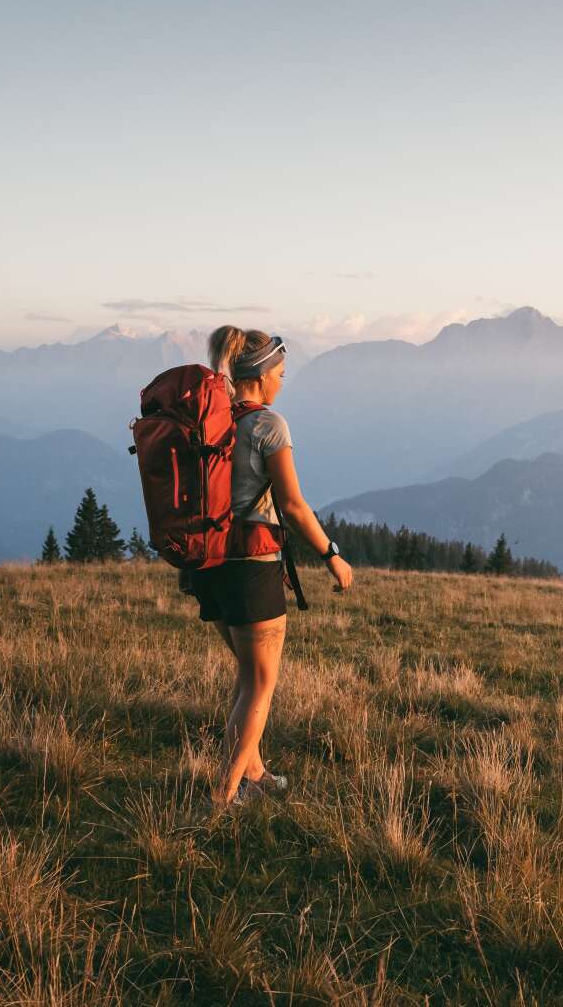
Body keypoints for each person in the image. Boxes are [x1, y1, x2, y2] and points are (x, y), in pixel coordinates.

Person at [193, 326, 353, 807]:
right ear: (261, 376)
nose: (282, 383)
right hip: (252, 568)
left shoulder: (210, 418)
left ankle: (255, 775)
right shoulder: (268, 426)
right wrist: (332, 556)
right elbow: (294, 505)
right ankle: (221, 798)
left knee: (247, 678)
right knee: (260, 686)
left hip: (208, 569)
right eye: (280, 374)